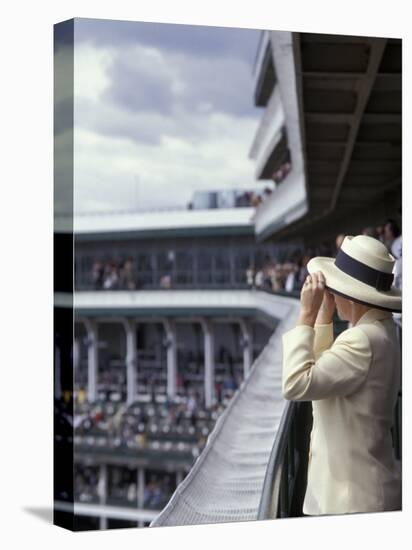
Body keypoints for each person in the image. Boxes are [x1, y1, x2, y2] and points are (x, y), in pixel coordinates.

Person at [282, 235, 401, 516]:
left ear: (352, 294)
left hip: (352, 502)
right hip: (363, 494)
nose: (332, 294)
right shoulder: (381, 331)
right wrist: (325, 315)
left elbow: (296, 383)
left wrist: (306, 316)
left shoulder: (361, 339)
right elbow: (326, 375)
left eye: (336, 289)